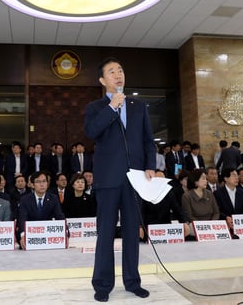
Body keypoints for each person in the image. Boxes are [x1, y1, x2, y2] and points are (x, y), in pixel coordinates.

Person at [84, 57, 155, 302]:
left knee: (131, 232)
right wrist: (112, 107)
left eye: (121, 70)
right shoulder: (95, 107)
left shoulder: (139, 105)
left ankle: (133, 282)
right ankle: (102, 284)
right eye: (112, 71)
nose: (118, 74)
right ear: (103, 80)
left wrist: (150, 166)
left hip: (135, 178)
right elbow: (92, 132)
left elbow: (148, 140)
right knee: (105, 232)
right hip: (107, 178)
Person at [17, 171, 65, 249]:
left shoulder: (54, 198)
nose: (42, 184)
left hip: (48, 237)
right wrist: (23, 235)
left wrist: (66, 234)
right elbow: (22, 219)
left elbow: (60, 216)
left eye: (44, 181)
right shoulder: (25, 199)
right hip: (31, 237)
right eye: (38, 182)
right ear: (32, 185)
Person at [213, 168, 243, 234]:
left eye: (237, 175)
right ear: (226, 178)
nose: (237, 178)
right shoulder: (217, 194)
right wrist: (225, 217)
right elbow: (217, 211)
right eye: (233, 175)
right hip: (225, 227)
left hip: (242, 228)